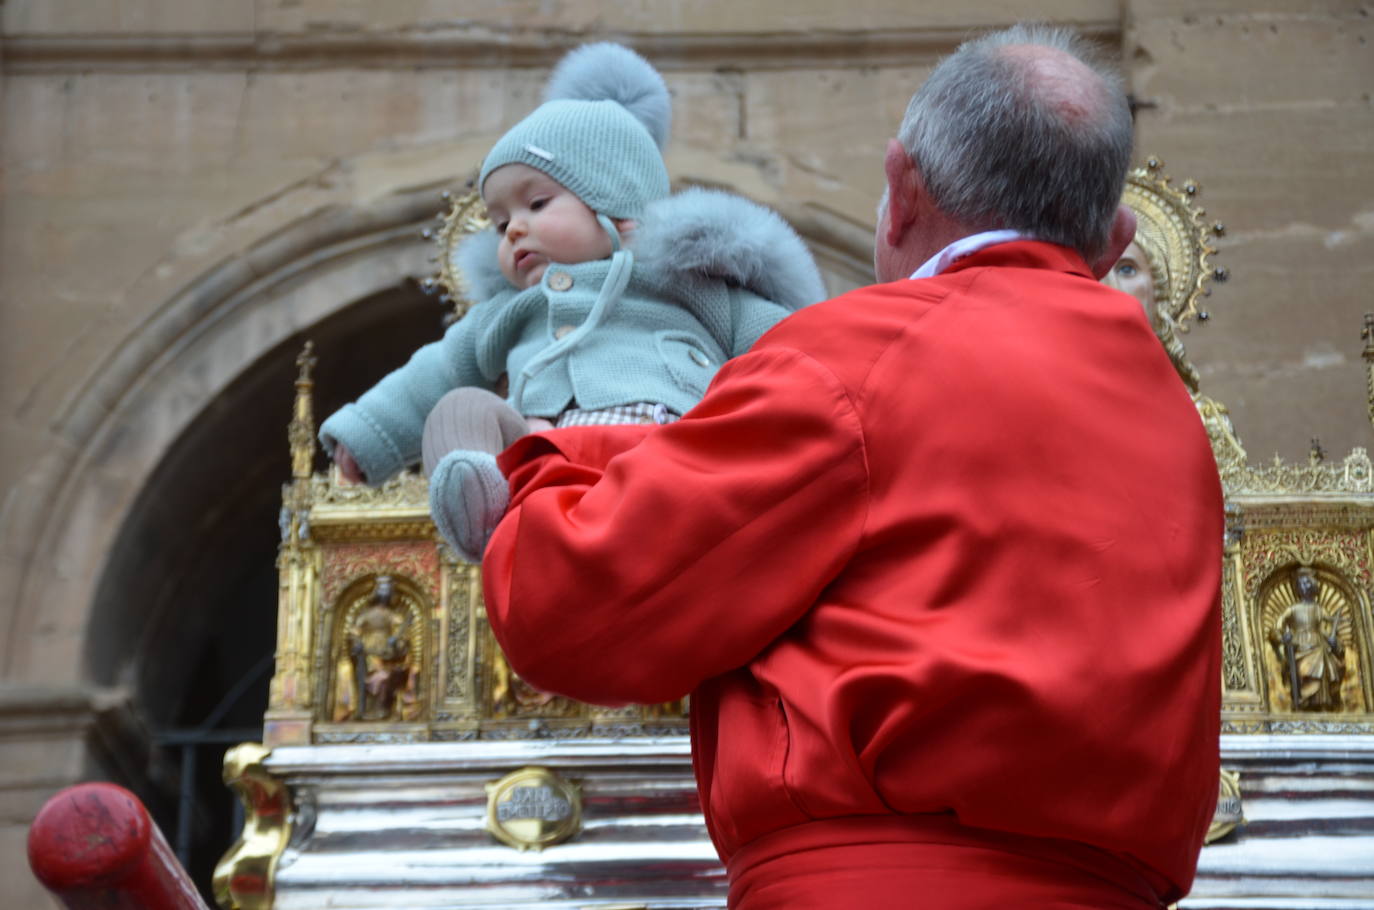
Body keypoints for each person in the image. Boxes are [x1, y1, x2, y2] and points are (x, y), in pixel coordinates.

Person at [482, 23, 1223, 910]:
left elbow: (577, 610)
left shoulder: (859, 351)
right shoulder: (1174, 418)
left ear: (901, 189)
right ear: (1115, 235)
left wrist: (529, 461)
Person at [318, 43, 824, 560]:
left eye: (537, 203)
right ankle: (485, 508)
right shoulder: (510, 312)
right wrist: (366, 434)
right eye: (499, 222)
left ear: (619, 205)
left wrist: (832, 388)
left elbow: (790, 344)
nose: (514, 228)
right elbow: (437, 370)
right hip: (545, 457)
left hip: (667, 444)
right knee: (459, 407)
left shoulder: (683, 283)